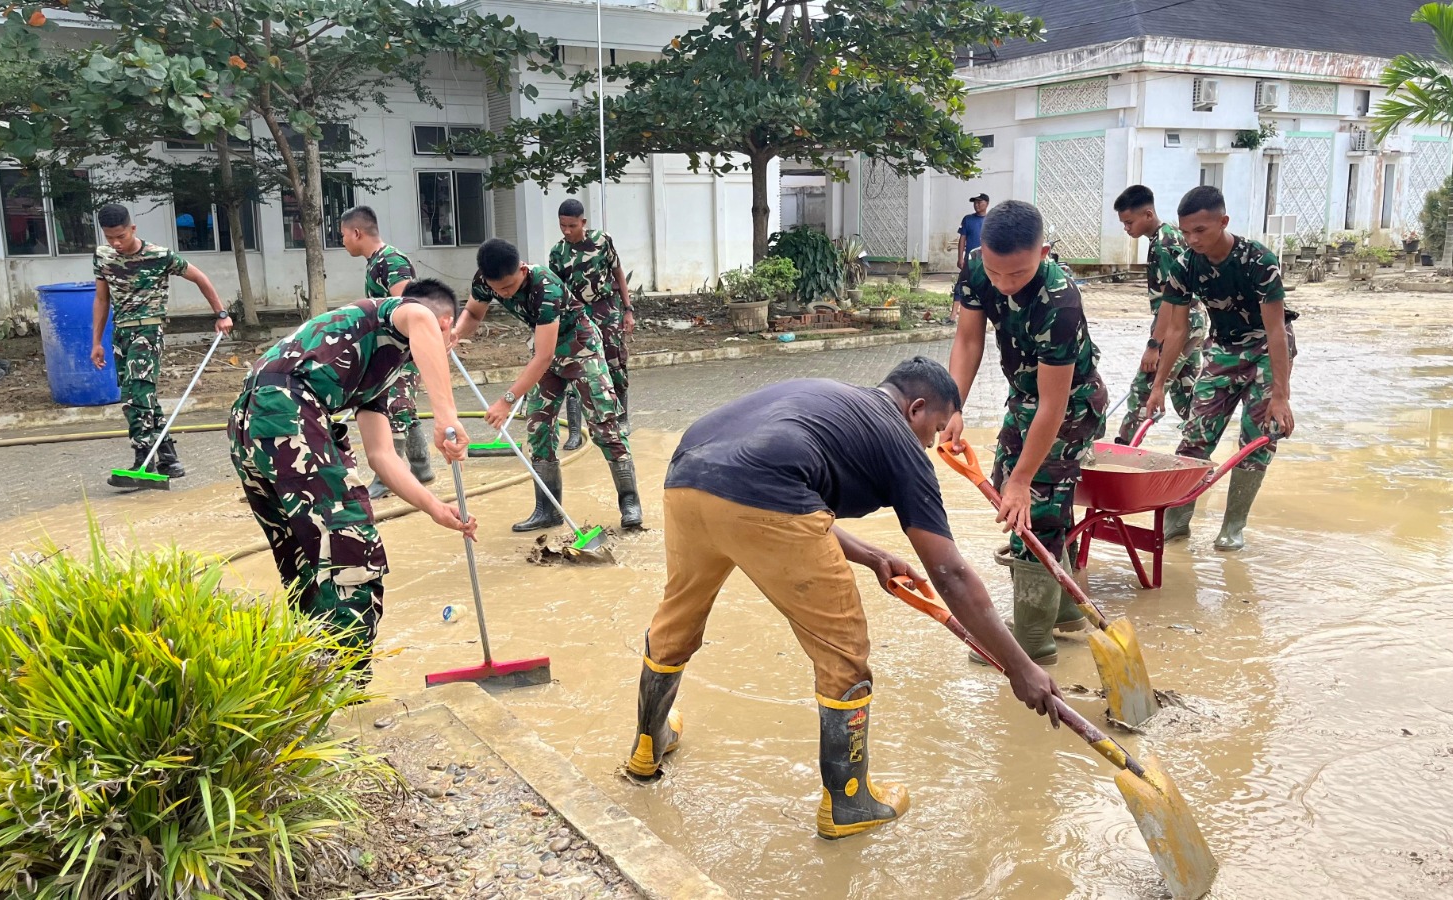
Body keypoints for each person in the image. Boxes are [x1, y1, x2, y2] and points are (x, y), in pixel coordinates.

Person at [624, 358, 1064, 840]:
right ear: (916, 408)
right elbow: (950, 573)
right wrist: (1020, 667)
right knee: (844, 650)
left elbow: (788, 483)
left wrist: (871, 555)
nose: (931, 443)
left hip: (687, 478)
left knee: (678, 615)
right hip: (761, 492)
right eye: (936, 429)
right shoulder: (900, 444)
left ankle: (648, 745)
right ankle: (849, 802)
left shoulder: (836, 402)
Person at [229, 279, 474, 671]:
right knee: (353, 553)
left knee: (306, 558)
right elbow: (421, 318)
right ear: (446, 325)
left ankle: (309, 679)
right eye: (451, 336)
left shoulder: (380, 366)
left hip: (252, 422)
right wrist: (446, 415)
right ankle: (347, 682)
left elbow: (381, 456)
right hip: (286, 408)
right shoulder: (399, 314)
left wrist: (434, 508)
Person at [946, 200, 1106, 665]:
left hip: (1071, 404)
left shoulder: (1060, 301)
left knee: (1030, 504)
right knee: (1017, 495)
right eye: (995, 272)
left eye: (1016, 274)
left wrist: (1022, 480)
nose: (1003, 283)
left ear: (1044, 252)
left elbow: (1054, 404)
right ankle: (1065, 613)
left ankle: (1033, 642)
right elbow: (968, 340)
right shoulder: (978, 267)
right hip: (1024, 396)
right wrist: (952, 405)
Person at [452, 238, 641, 531]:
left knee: (604, 424)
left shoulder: (545, 287)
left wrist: (506, 400)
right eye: (498, 289)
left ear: (522, 270)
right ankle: (547, 509)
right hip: (546, 350)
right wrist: (454, 335)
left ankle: (630, 501)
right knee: (539, 426)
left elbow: (543, 357)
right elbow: (474, 313)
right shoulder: (485, 280)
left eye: (509, 287)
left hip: (580, 345)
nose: (504, 293)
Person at [1148, 186, 1297, 551]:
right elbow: (1177, 330)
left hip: (1265, 348)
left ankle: (1232, 527)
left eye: (1200, 230)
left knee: (1257, 438)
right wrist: (1158, 386)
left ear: (1223, 222)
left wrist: (1281, 396)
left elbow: (1276, 331)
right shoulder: (1185, 265)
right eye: (1186, 231)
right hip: (1223, 348)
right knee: (1195, 434)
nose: (1192, 239)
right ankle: (1176, 523)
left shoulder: (1258, 261)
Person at [91, 203, 232, 487]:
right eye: (109, 237)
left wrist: (221, 314)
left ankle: (144, 459)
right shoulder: (103, 256)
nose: (116, 243)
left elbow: (199, 277)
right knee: (139, 396)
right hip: (121, 333)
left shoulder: (158, 255)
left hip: (148, 330)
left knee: (137, 396)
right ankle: (169, 458)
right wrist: (96, 342)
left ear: (133, 229)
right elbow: (102, 299)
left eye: (121, 236)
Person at [339, 205, 436, 497]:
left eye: (343, 235)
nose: (342, 241)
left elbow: (409, 309)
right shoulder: (376, 262)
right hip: (390, 352)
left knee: (394, 407)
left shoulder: (391, 261)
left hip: (404, 351)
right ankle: (421, 468)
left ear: (357, 233)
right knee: (405, 407)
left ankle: (386, 479)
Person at [1112, 184, 1209, 443]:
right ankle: (1198, 450)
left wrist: (1154, 345)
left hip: (1180, 322)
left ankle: (1123, 451)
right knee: (1186, 393)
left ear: (1148, 214)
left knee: (1144, 389)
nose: (1126, 228)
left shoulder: (1163, 245)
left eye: (1129, 222)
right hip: (1195, 320)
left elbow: (1170, 300)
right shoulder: (1172, 235)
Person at [547, 198, 635, 450]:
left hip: (605, 309)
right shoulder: (557, 252)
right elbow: (556, 290)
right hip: (575, 314)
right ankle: (575, 431)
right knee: (575, 366)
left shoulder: (602, 241)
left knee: (614, 362)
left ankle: (622, 418)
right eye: (562, 225)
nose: (566, 231)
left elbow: (618, 272)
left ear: (583, 222)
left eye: (572, 226)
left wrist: (628, 309)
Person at [957, 193, 990, 271]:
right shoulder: (967, 219)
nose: (976, 205)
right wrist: (960, 258)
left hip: (987, 259)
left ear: (987, 203)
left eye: (979, 202)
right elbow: (962, 239)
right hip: (970, 258)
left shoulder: (992, 220)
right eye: (975, 203)